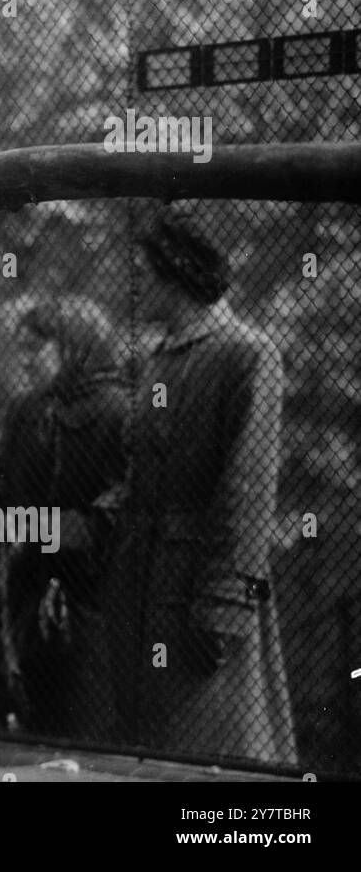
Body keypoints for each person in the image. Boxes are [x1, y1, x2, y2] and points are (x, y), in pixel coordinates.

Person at [107, 207, 296, 764]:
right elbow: (133, 475)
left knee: (217, 755)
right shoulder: (153, 361)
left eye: (143, 274)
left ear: (178, 271)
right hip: (140, 595)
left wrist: (219, 610)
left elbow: (247, 491)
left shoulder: (248, 353)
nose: (135, 287)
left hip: (200, 602)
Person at [0, 297, 128, 739]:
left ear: (72, 348)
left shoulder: (121, 411)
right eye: (22, 347)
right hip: (28, 597)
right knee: (35, 731)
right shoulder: (26, 411)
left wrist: (30, 528)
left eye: (37, 348)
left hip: (95, 602)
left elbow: (115, 518)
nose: (24, 359)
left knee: (90, 734)